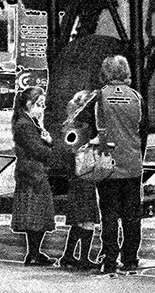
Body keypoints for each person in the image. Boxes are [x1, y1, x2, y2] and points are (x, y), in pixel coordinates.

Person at [94, 55, 145, 275]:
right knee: (132, 214)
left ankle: (110, 258)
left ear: (106, 72)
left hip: (108, 164)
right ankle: (131, 258)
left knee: (109, 214)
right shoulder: (136, 97)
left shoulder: (100, 97)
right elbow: (143, 128)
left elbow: (92, 127)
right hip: (132, 163)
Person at [10, 85, 56, 266]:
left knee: (37, 215)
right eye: (40, 104)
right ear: (30, 104)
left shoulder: (28, 122)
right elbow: (38, 151)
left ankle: (34, 252)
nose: (42, 108)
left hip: (31, 172)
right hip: (32, 173)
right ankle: (34, 253)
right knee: (36, 214)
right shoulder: (25, 124)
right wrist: (49, 143)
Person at [57, 89, 101, 271]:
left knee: (78, 220)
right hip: (84, 175)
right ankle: (83, 257)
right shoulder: (82, 128)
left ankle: (68, 256)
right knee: (87, 218)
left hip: (75, 177)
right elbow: (76, 149)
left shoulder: (68, 126)